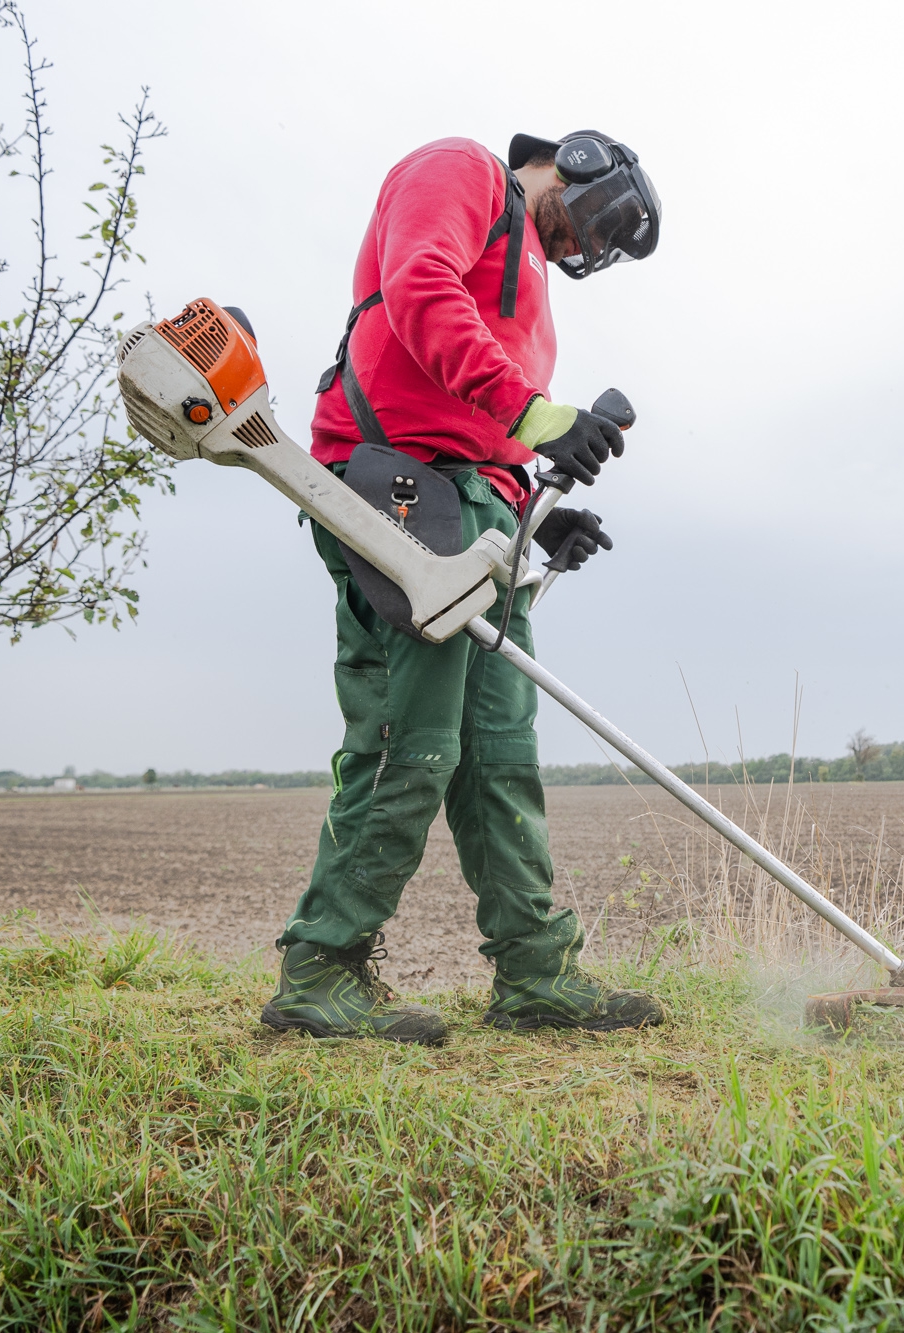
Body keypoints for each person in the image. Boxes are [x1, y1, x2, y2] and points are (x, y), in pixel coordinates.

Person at [259, 131, 664, 1045]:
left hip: (473, 504)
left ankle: (536, 971)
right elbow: (421, 287)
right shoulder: (464, 171)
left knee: (499, 748)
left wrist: (532, 508)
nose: (584, 246)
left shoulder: (533, 280)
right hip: (397, 486)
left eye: (599, 247)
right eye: (596, 224)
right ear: (578, 161)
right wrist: (536, 415)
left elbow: (481, 425)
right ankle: (321, 967)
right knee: (412, 737)